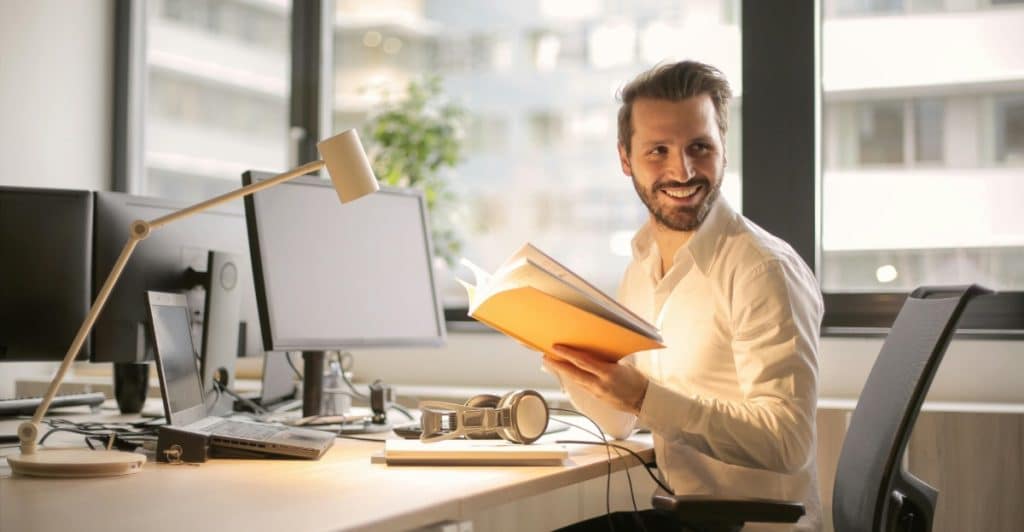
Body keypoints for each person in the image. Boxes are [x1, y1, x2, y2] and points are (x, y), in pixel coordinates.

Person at [544, 60, 823, 532]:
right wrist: (568, 360)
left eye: (699, 147)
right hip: (686, 517)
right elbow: (619, 423)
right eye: (658, 151)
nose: (683, 170)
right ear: (625, 159)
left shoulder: (762, 269)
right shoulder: (642, 264)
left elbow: (788, 442)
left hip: (752, 526)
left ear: (722, 150)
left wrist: (646, 396)